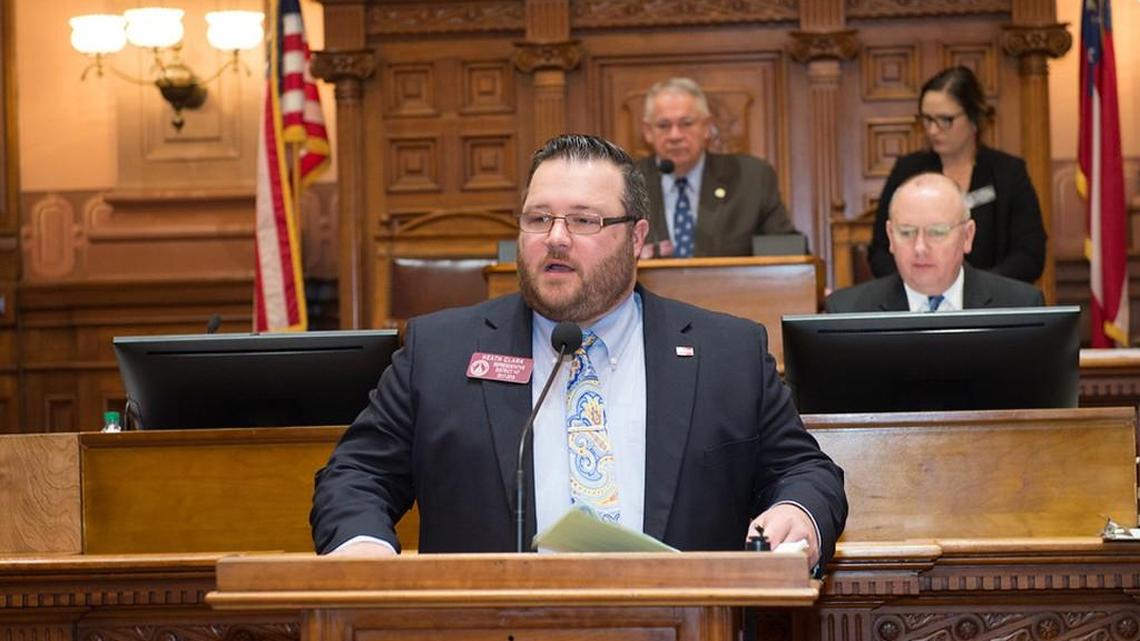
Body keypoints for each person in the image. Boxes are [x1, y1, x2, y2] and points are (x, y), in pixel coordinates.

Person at [311, 134, 847, 568]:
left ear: (637, 239)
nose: (556, 238)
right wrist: (364, 552)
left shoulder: (725, 351)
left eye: (585, 220)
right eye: (538, 218)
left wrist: (796, 511)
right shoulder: (442, 350)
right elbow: (355, 475)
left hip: (683, 626)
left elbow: (804, 470)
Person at [866, 66, 1046, 283]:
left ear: (973, 117)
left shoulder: (1007, 173)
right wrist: (917, 285)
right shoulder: (908, 171)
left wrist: (973, 290)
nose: (933, 130)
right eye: (927, 119)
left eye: (945, 119)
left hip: (990, 303)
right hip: (920, 300)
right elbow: (880, 252)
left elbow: (1029, 255)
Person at [827, 172, 1044, 313]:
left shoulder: (1020, 306)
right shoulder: (847, 311)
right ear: (890, 237)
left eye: (937, 232)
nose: (920, 247)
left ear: (967, 236)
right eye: (907, 232)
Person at [635, 77, 798, 258]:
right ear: (648, 131)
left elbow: (787, 253)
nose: (675, 135)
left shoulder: (751, 179)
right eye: (664, 125)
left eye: (686, 123)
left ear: (707, 127)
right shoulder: (628, 183)